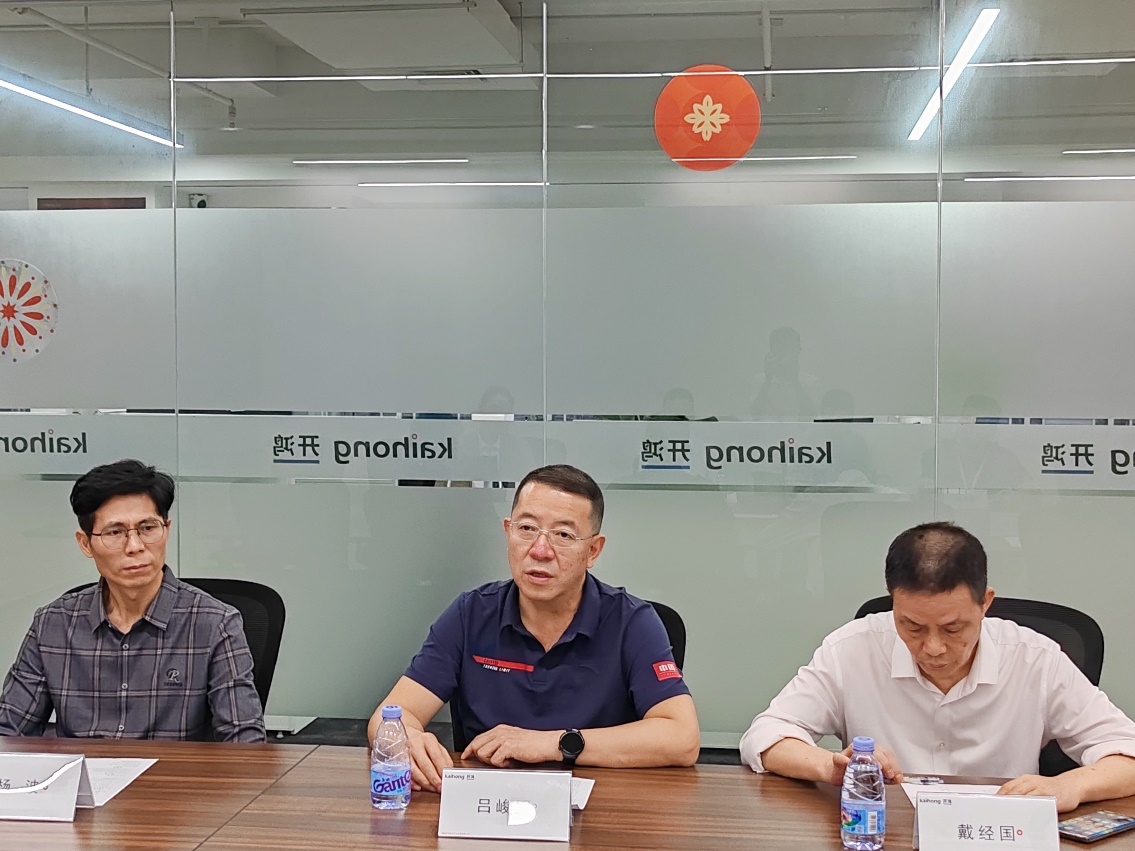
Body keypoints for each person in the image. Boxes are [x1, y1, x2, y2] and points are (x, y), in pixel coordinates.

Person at [740, 521, 1135, 812]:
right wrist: (832, 768)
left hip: (996, 835)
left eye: (953, 628)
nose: (932, 648)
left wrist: (1071, 786)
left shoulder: (1035, 659)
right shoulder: (853, 648)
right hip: (886, 833)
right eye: (911, 626)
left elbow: (1128, 754)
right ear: (893, 601)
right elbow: (766, 737)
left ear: (985, 603)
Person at [370, 464, 699, 792]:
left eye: (563, 535)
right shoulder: (471, 614)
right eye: (526, 528)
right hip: (487, 803)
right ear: (508, 531)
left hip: (600, 806)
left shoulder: (632, 623)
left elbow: (682, 738)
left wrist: (554, 743)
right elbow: (389, 717)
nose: (540, 551)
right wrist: (408, 740)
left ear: (593, 550)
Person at [0, 459, 265, 742]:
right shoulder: (53, 624)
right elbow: (8, 733)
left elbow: (245, 746)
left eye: (148, 528)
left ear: (167, 529)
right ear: (85, 543)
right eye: (115, 532)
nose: (135, 546)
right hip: (85, 771)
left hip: (172, 771)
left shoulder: (216, 624)